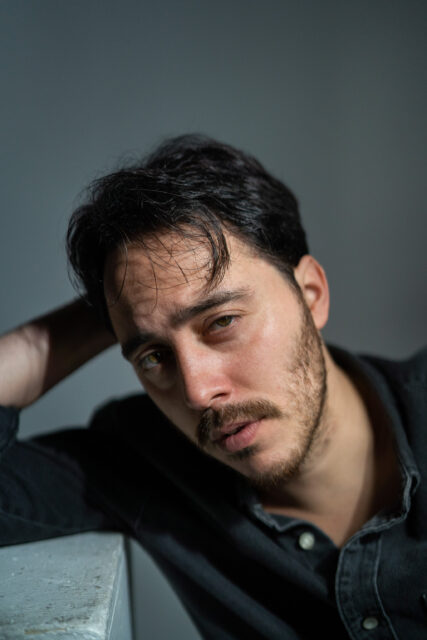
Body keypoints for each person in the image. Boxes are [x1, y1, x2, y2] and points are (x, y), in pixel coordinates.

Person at [0, 135, 426, 639]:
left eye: (222, 321)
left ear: (311, 294)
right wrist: (70, 329)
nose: (198, 393)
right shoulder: (150, 467)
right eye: (154, 356)